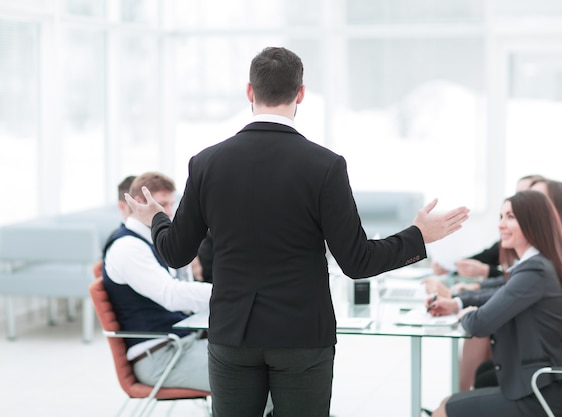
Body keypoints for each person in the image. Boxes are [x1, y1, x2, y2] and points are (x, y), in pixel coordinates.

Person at [125, 46, 469, 417]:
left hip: (231, 334)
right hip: (302, 335)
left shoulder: (207, 163)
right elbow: (357, 261)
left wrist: (157, 219)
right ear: (300, 93)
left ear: (249, 91)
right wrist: (418, 235)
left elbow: (175, 252)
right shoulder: (324, 166)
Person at [428, 190, 562, 417]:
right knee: (447, 402)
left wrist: (465, 315)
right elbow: (501, 293)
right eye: (501, 217)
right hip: (535, 383)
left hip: (540, 392)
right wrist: (457, 303)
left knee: (444, 411)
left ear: (532, 222)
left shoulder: (535, 270)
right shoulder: (534, 265)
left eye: (511, 217)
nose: (501, 225)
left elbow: (480, 324)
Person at [102, 171, 213, 391]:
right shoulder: (128, 248)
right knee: (255, 380)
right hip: (160, 357)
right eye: (162, 205)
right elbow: (171, 295)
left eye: (171, 204)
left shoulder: (149, 242)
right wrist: (229, 294)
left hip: (179, 345)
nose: (169, 213)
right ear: (137, 204)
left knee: (257, 364)